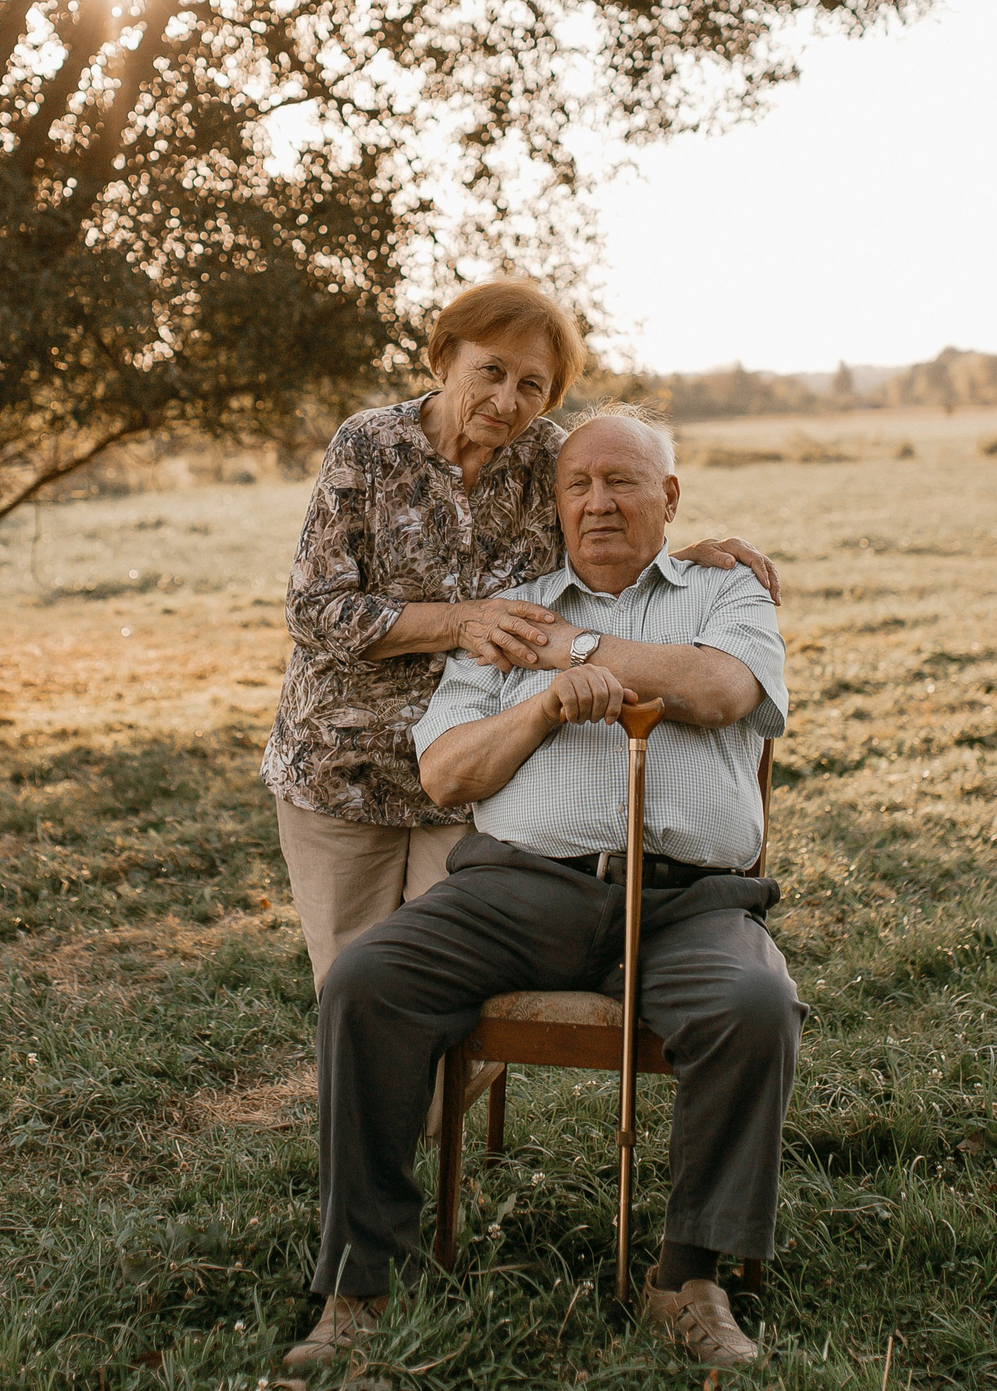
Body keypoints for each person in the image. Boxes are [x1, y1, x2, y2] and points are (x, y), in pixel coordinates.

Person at [284, 410, 799, 1370]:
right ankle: (357, 1285)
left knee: (755, 1003)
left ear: (670, 498)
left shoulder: (726, 591)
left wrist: (579, 651)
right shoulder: (511, 611)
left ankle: (689, 1278)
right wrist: (547, 705)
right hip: (518, 891)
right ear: (556, 503)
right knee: (366, 980)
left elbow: (725, 691)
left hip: (692, 901)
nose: (600, 501)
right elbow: (444, 774)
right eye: (579, 485)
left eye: (625, 481)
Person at [261, 280, 776, 991]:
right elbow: (315, 607)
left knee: (449, 996)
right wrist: (459, 619)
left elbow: (603, 529)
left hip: (471, 762)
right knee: (356, 980)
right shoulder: (370, 444)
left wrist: (681, 552)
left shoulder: (546, 459)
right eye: (492, 371)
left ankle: (441, 1112)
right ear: (445, 357)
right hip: (343, 766)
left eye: (533, 384)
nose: (508, 401)